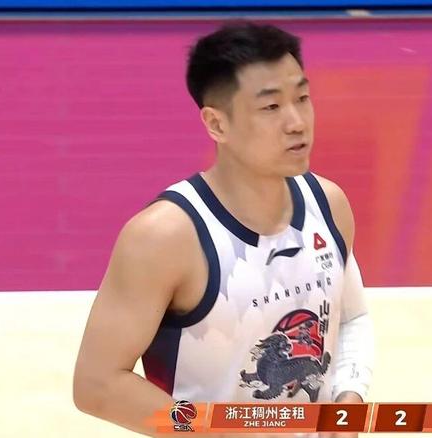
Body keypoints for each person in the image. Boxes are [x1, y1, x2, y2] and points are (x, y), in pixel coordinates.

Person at [73, 21, 374, 437]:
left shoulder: (329, 204)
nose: (297, 122)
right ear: (217, 124)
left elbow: (352, 318)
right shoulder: (164, 237)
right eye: (271, 107)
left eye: (303, 98)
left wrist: (348, 401)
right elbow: (98, 385)